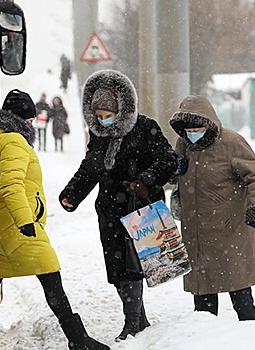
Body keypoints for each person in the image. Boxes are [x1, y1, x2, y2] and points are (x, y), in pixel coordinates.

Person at [0, 99, 109, 350]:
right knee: (50, 276)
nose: (32, 124)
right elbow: (11, 186)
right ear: (18, 120)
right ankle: (78, 339)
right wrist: (25, 220)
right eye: (29, 119)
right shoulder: (13, 142)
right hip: (16, 226)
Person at [59, 69, 177, 341]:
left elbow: (168, 160)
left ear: (121, 108)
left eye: (107, 113)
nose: (103, 119)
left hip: (141, 207)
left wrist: (145, 179)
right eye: (98, 115)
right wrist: (72, 195)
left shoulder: (145, 127)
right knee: (117, 268)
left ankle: (132, 324)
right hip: (110, 209)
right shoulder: (99, 135)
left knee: (135, 265)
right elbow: (90, 169)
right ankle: (140, 320)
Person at [169, 95, 255, 321]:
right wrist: (173, 169)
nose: (193, 132)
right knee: (203, 303)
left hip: (229, 231)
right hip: (197, 234)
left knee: (241, 295)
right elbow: (174, 175)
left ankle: (254, 339)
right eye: (188, 129)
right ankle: (205, 340)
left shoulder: (231, 143)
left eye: (197, 127)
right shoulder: (184, 144)